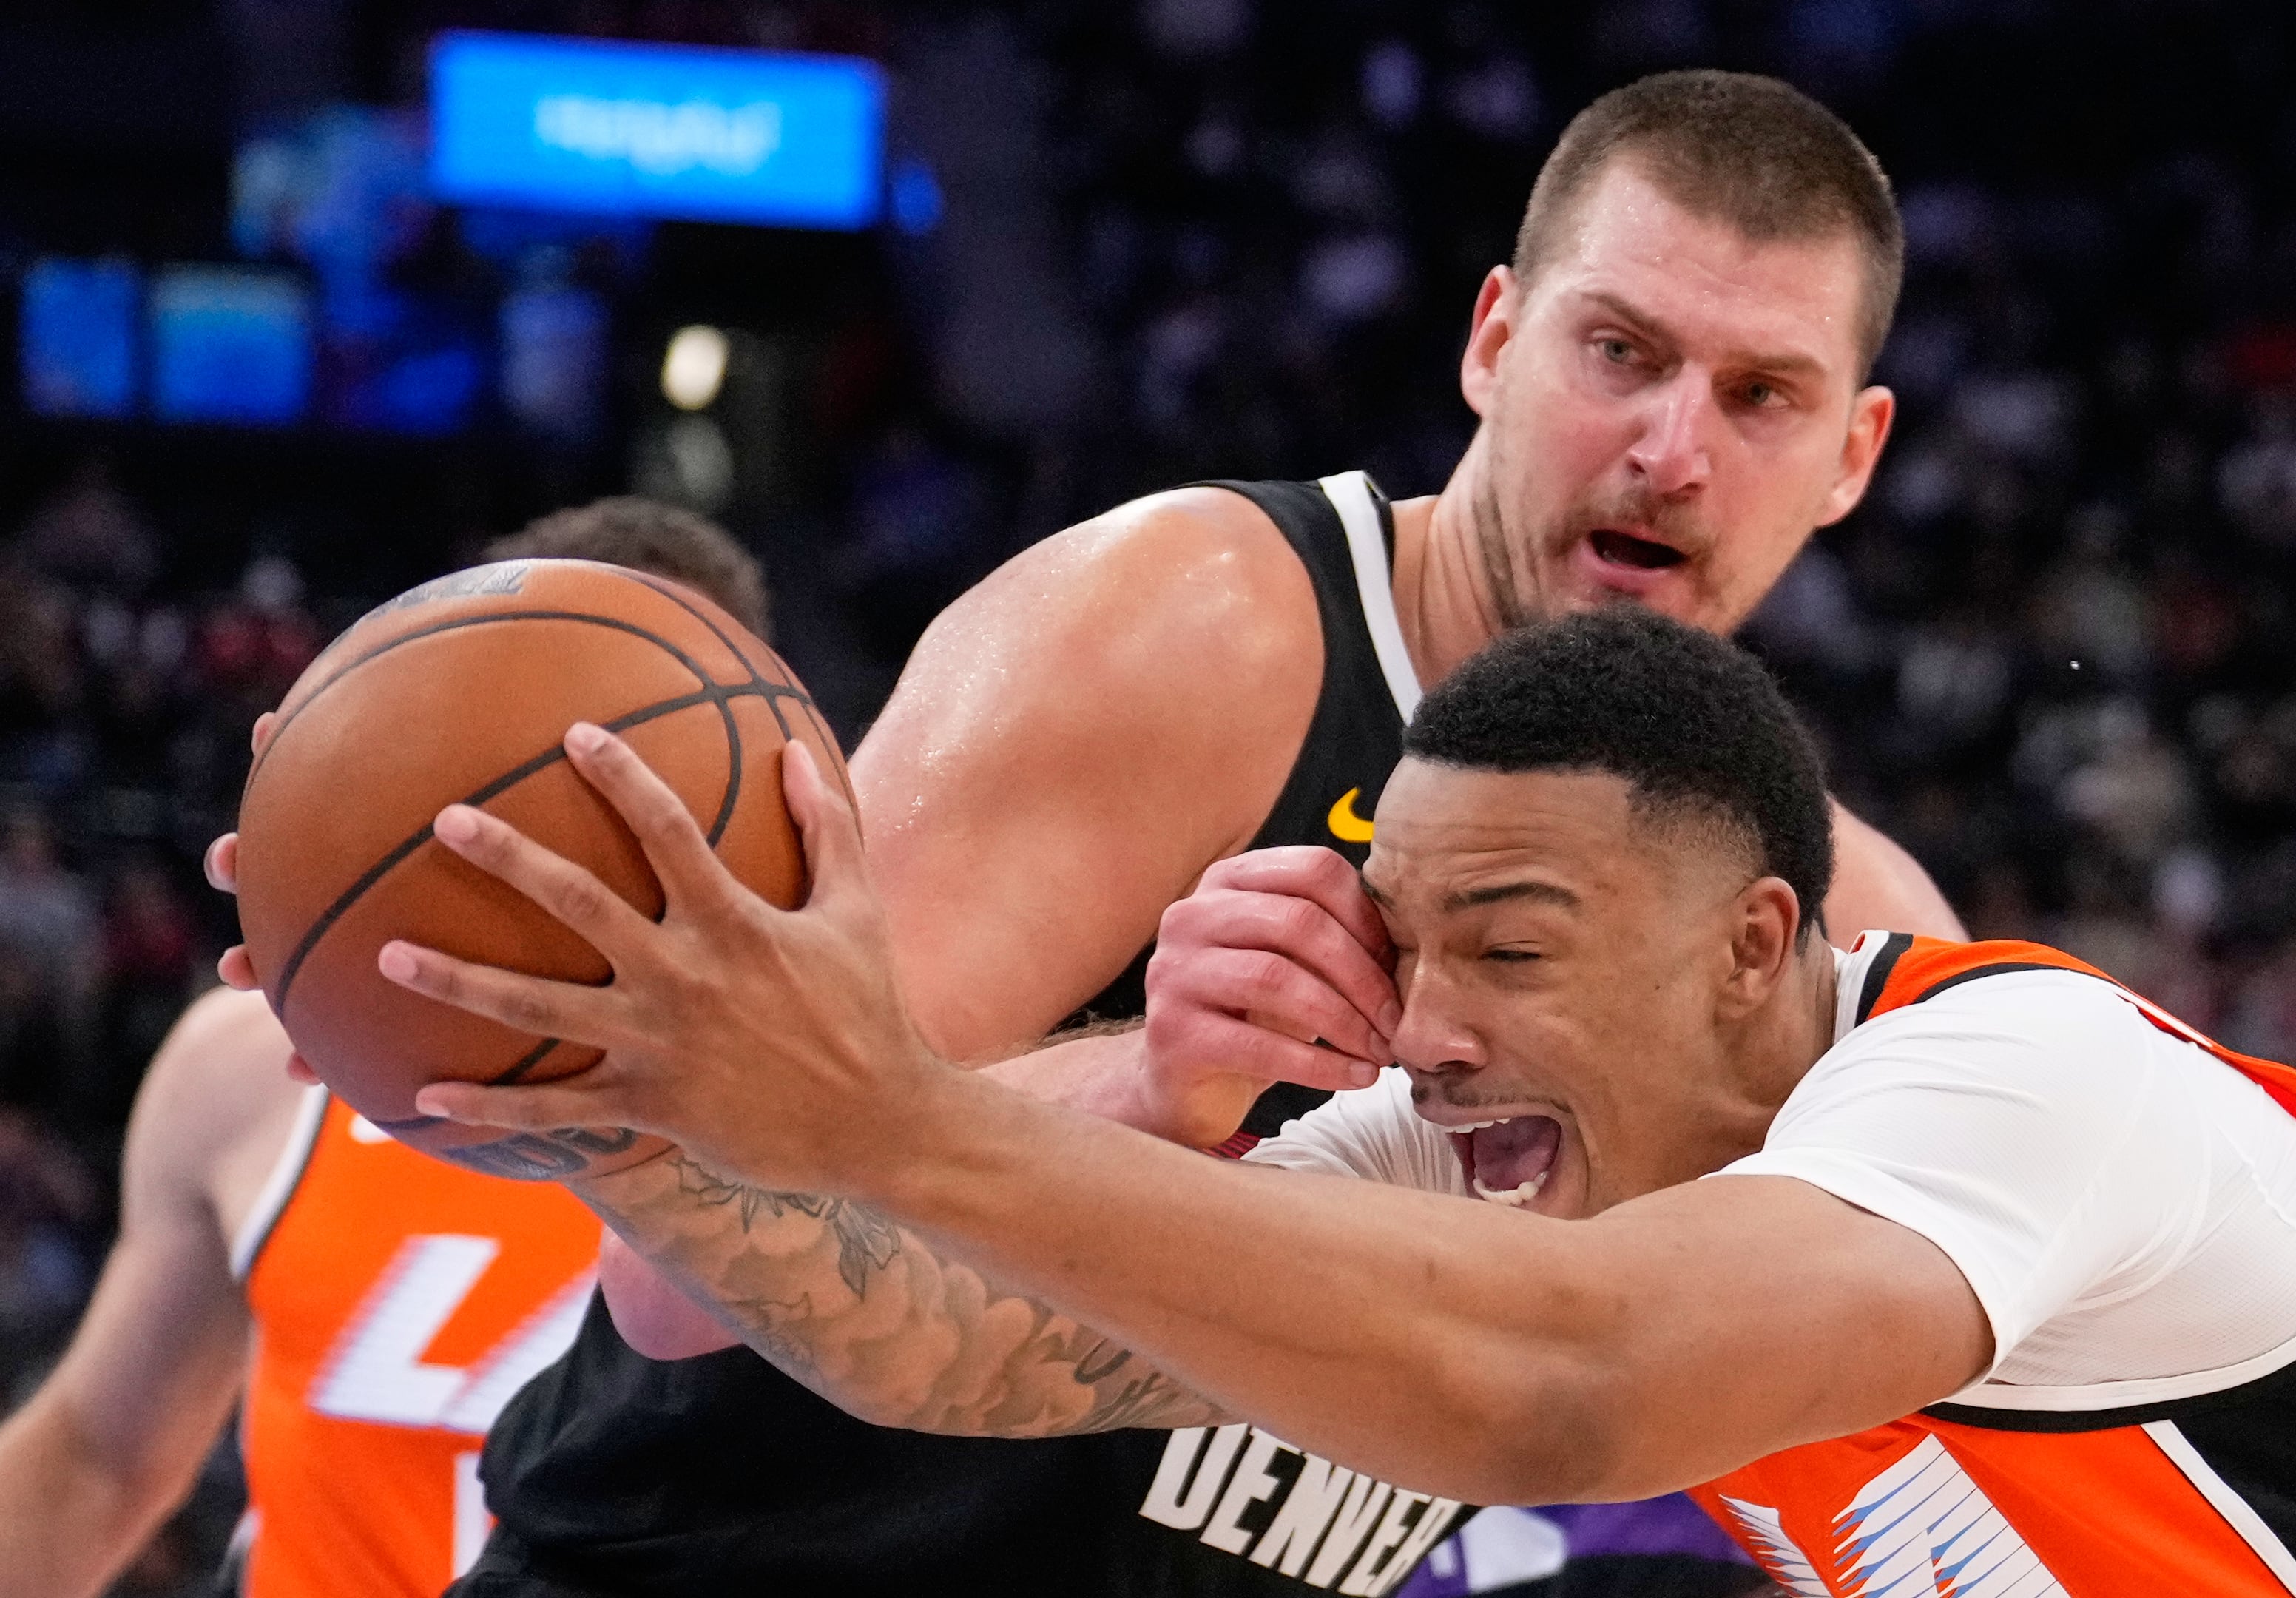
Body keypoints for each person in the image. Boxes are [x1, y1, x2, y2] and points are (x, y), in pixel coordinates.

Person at [217, 69, 1959, 1597]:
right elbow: (692, 1273)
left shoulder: (1850, 925)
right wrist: (1152, 1092)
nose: (1671, 451)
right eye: (1622, 353)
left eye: (1760, 397)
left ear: (1856, 453)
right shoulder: (1202, 633)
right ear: (1494, 339)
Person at [388, 607, 2296, 1597]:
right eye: (1407, 940)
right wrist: (644, 1119)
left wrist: (894, 1109)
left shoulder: (2024, 1072)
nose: (1426, 1025)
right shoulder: (1509, 1149)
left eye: (1510, 949)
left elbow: (1576, 1387)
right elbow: (969, 1353)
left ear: (1754, 944)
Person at [0, 499, 767, 1598]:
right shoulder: (250, 1065)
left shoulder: (850, 1107)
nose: (592, 786)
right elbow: (98, 1461)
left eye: (648, 737)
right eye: (553, 732)